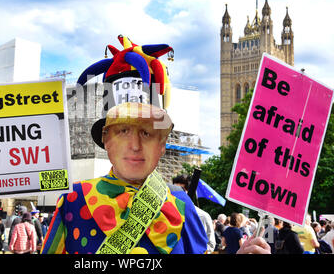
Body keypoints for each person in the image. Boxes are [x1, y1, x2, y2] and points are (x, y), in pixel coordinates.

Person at [41, 103, 270, 254]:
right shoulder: (73, 200)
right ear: (106, 143)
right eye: (123, 132)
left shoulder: (183, 206)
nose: (135, 146)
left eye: (147, 134)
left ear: (161, 147)